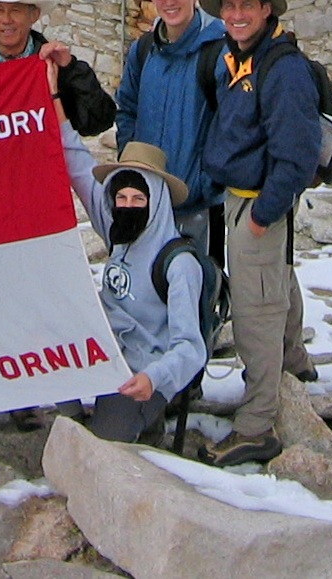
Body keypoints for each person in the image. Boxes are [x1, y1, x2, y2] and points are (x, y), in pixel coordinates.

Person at [198, 0, 321, 468]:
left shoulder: (283, 69)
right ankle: (296, 367)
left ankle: (256, 425)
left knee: (256, 312)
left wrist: (262, 215)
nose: (237, 13)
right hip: (240, 198)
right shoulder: (237, 58)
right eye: (230, 6)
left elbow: (298, 152)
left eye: (248, 5)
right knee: (277, 286)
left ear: (267, 10)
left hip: (257, 204)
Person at [60, 124, 206, 444]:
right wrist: (50, 95)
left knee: (102, 450)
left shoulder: (179, 264)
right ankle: (74, 419)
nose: (127, 205)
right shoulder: (119, 231)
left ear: (155, 201)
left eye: (138, 197)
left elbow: (191, 348)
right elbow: (79, 164)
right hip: (107, 353)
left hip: (143, 374)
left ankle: (144, 421)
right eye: (121, 196)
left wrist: (154, 378)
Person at [115, 0, 228, 255]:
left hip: (198, 206)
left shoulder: (218, 51)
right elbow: (127, 109)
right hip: (148, 199)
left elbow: (232, 125)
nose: (169, 1)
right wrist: (132, 166)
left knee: (198, 292)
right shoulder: (145, 49)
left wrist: (207, 185)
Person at [0, 0, 115, 136]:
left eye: (16, 10)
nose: (6, 20)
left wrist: (71, 69)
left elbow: (98, 122)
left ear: (34, 15)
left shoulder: (55, 70)